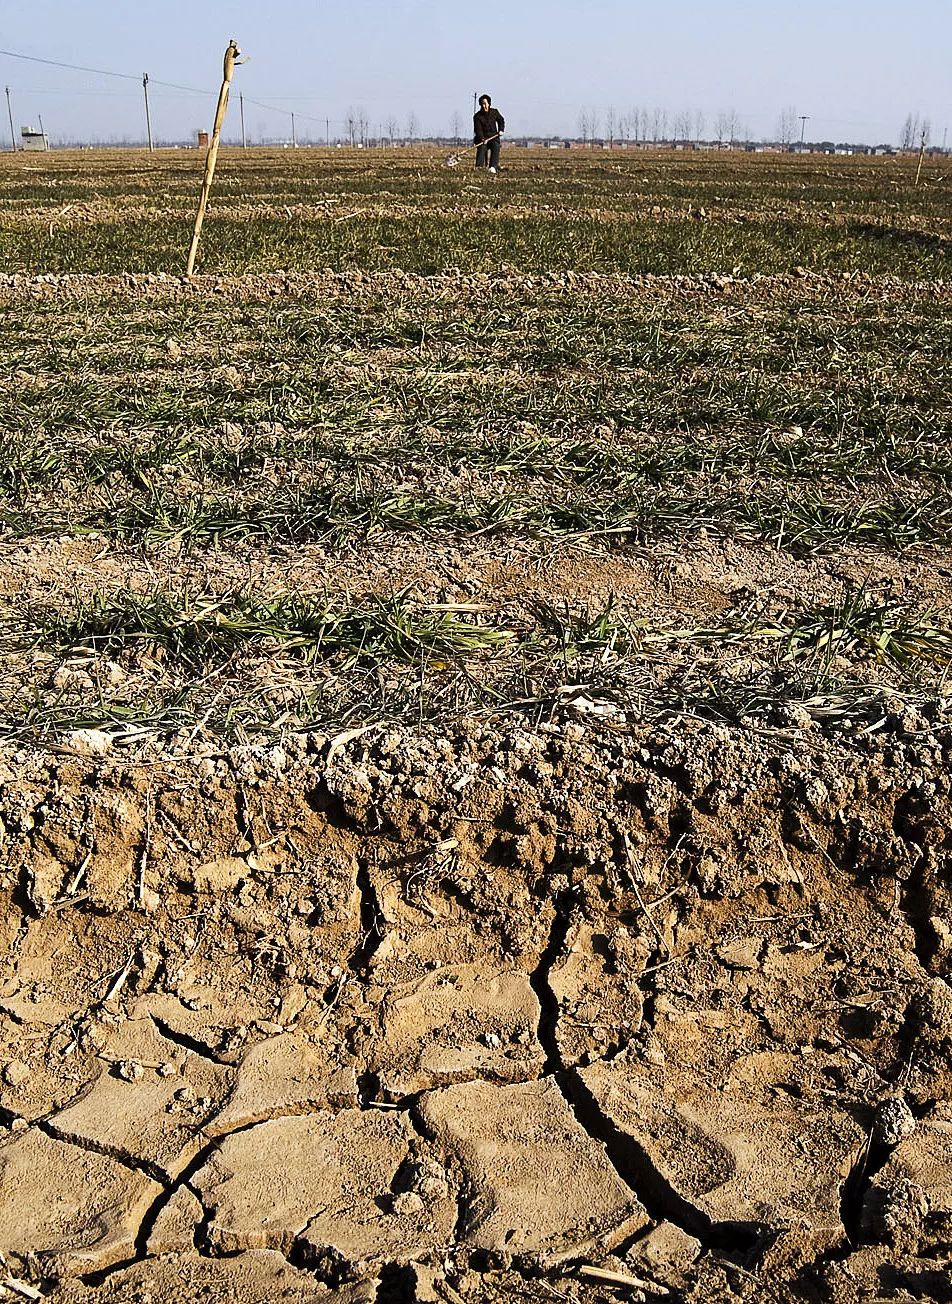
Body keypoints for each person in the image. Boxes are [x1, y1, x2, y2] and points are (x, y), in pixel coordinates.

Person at [473, 94, 505, 172]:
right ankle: (479, 167)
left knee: (496, 146)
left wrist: (501, 129)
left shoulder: (494, 112)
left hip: (494, 137)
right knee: (482, 148)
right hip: (482, 139)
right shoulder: (477, 117)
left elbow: (501, 120)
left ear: (489, 103)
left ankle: (493, 167)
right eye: (482, 104)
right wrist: (482, 138)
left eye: (485, 103)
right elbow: (478, 130)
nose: (484, 106)